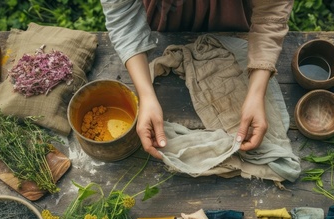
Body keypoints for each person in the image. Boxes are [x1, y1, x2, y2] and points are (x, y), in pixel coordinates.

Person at [100, 0, 294, 159]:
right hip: (169, 16)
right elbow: (123, 17)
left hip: (229, 13)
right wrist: (146, 96)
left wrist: (256, 93)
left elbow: (271, 10)